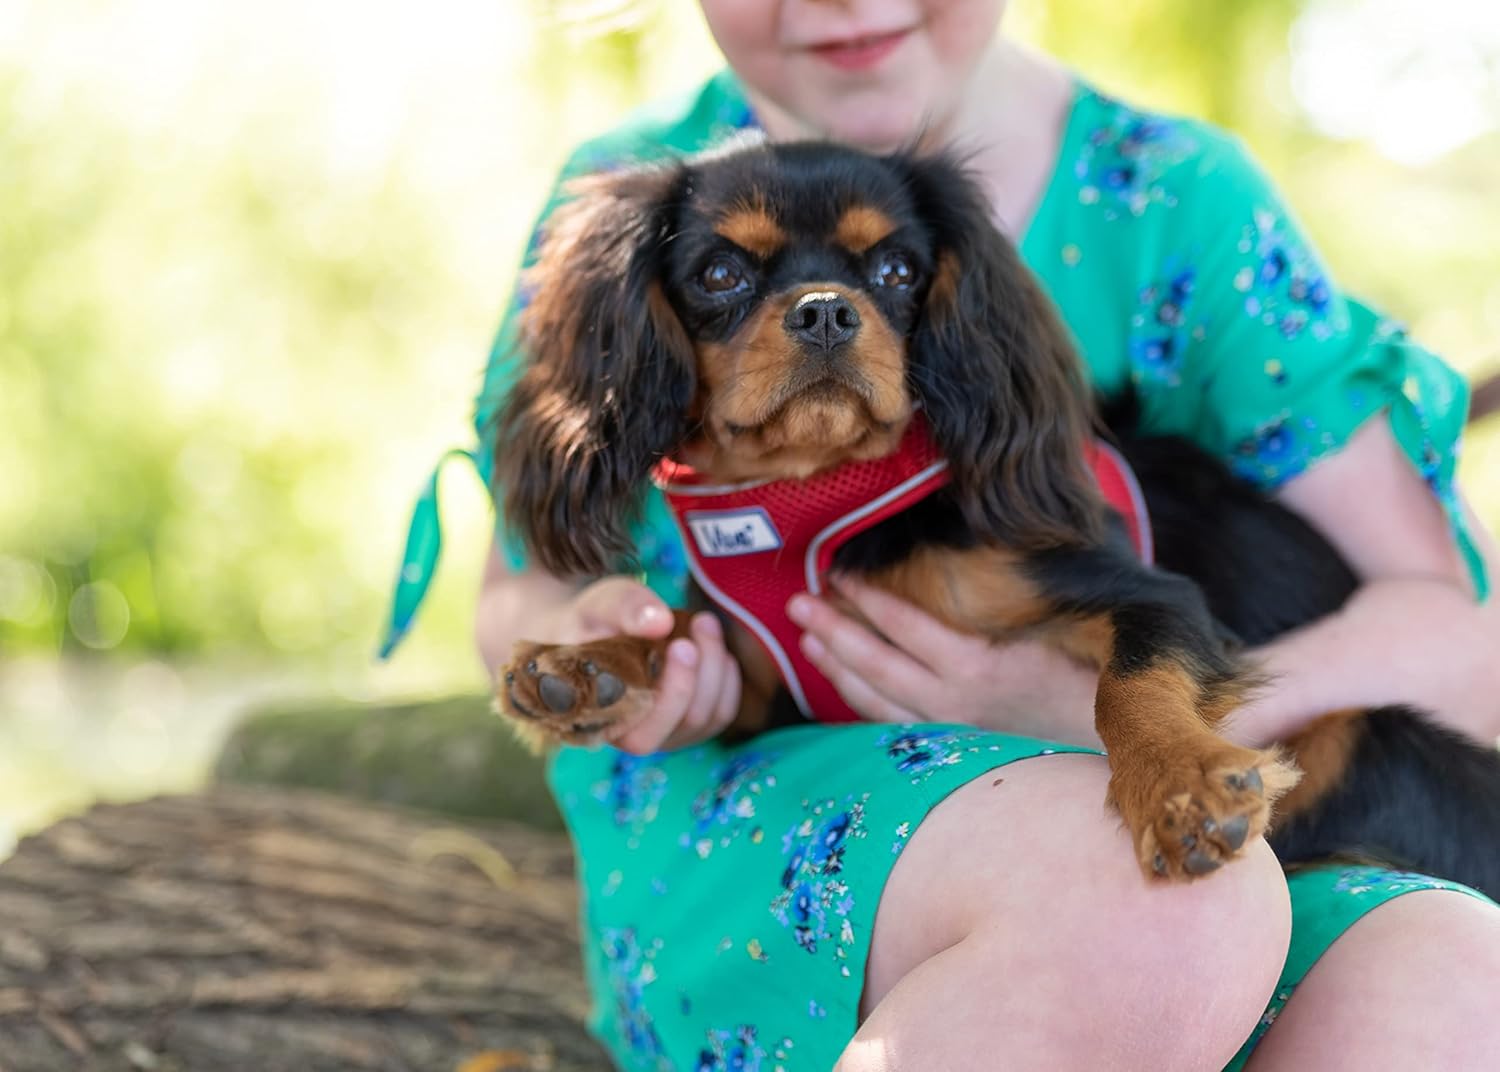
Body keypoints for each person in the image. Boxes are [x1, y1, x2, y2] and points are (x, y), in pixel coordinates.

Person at [384, 2, 1500, 1068]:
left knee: (1454, 976)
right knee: (1156, 920)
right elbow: (525, 596)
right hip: (753, 816)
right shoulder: (622, 198)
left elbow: (1459, 626)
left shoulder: (1175, 201)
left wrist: (1071, 713)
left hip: (1267, 793)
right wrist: (622, 649)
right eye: (726, 275)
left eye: (886, 274)